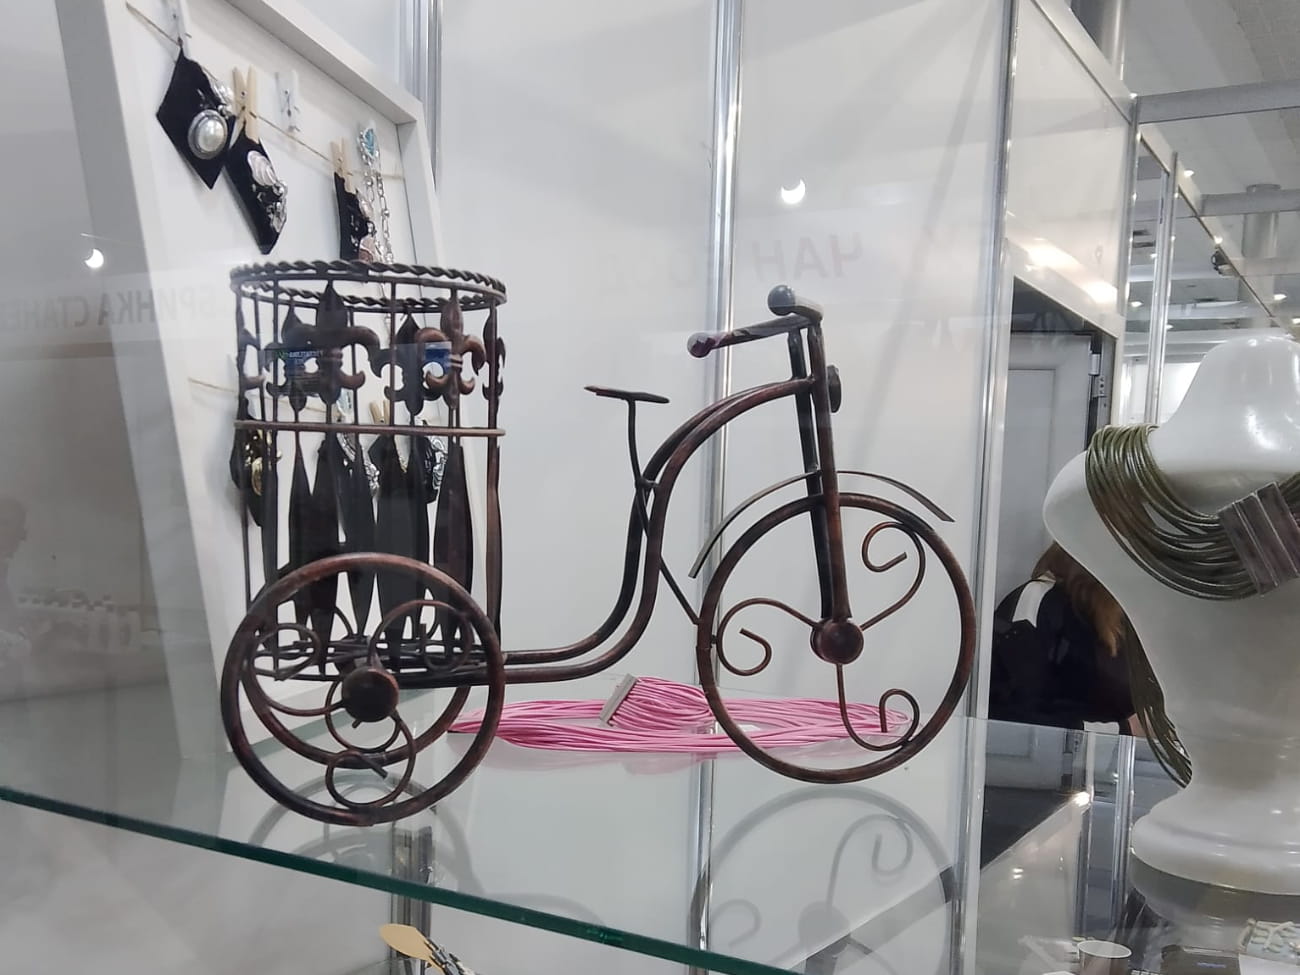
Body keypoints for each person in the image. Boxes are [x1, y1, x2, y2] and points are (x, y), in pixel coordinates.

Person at [989, 542, 1140, 734]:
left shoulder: (1116, 619)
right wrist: (1123, 729)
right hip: (1040, 749)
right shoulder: (1038, 602)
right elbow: (1015, 716)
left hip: (1111, 749)